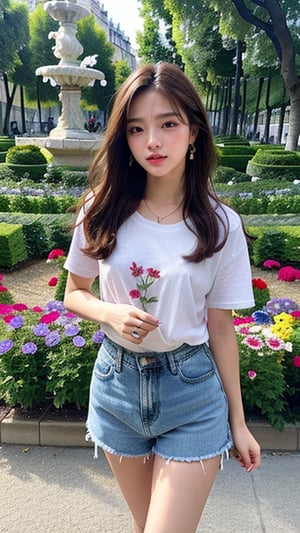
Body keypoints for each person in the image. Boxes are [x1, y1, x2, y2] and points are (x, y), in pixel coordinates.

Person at [63, 62, 261, 533]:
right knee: (144, 524)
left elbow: (220, 328)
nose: (152, 140)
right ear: (124, 139)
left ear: (193, 131)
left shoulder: (220, 224)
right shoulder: (102, 208)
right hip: (116, 388)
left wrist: (239, 421)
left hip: (190, 393)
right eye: (137, 128)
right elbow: (75, 293)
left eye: (167, 124)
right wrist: (109, 313)